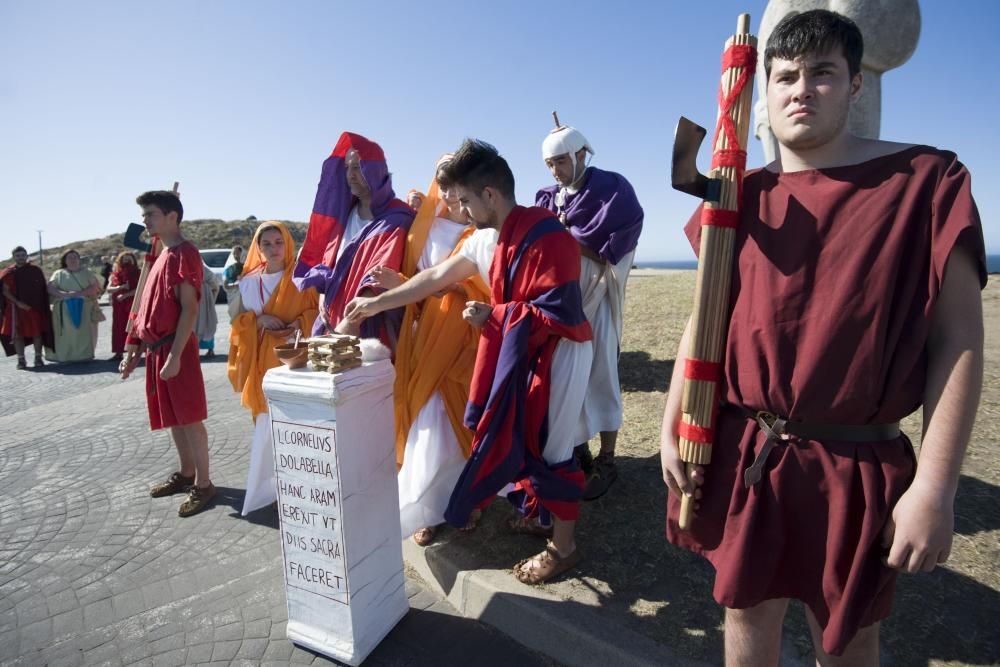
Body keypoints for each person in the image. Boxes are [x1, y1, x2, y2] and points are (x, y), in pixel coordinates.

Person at [659, 10, 986, 664]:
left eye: (822, 73)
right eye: (784, 77)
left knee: (847, 639)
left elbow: (959, 339)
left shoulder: (927, 182)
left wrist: (936, 486)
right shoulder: (738, 196)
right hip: (749, 447)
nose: (800, 89)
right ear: (764, 93)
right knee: (746, 616)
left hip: (856, 461)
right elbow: (706, 315)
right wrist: (675, 420)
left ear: (856, 85)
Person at [346, 140, 593, 584]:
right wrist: (378, 303)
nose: (460, 208)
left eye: (464, 199)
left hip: (560, 353)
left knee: (552, 449)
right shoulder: (483, 239)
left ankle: (564, 548)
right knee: (525, 437)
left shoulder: (549, 235)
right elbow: (434, 277)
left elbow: (559, 314)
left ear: (490, 195)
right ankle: (541, 518)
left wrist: (494, 316)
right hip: (523, 350)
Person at [363, 155, 489, 545]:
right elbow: (415, 284)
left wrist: (446, 287)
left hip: (465, 334)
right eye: (444, 181)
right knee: (426, 416)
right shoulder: (422, 226)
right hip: (423, 334)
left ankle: (469, 498)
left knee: (460, 416)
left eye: (457, 182)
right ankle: (426, 506)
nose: (450, 191)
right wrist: (399, 285)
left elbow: (488, 285)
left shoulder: (481, 229)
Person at [536, 124, 644, 500]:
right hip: (562, 304)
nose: (555, 171)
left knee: (601, 373)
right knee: (566, 377)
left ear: (582, 154)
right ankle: (578, 449)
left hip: (597, 296)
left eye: (561, 161)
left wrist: (570, 239)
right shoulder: (547, 199)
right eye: (549, 164)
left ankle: (608, 459)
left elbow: (615, 248)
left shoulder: (612, 191)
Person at [120, 190, 215, 517]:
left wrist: (175, 356)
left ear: (172, 216)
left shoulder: (184, 254)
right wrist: (134, 348)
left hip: (177, 347)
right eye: (145, 215)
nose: (144, 221)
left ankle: (204, 485)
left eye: (151, 214)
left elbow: (189, 309)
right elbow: (147, 306)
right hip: (157, 349)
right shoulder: (160, 253)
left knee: (190, 418)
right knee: (174, 417)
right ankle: (187, 473)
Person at [293, 132, 415, 349]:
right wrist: (324, 297)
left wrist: (352, 321)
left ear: (375, 170)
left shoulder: (397, 217)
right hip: (331, 321)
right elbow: (332, 263)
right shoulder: (343, 215)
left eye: (358, 167)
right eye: (347, 168)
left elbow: (378, 276)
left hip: (368, 331)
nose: (350, 174)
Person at [228, 221, 318, 515]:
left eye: (278, 242)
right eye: (266, 243)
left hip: (295, 361)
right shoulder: (248, 281)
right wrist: (257, 321)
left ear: (288, 243)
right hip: (261, 363)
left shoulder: (301, 277)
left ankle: (303, 483)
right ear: (258, 247)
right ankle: (276, 486)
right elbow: (237, 321)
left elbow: (316, 311)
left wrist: (299, 323)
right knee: (266, 425)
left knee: (297, 425)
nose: (273, 248)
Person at [1, 246, 54, 369]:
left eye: (23, 255)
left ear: (26, 256)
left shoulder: (35, 270)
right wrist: (18, 303)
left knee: (37, 333)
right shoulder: (9, 272)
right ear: (14, 257)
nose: (21, 257)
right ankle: (21, 360)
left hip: (33, 308)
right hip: (15, 308)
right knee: (17, 335)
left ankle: (38, 358)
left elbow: (42, 288)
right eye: (18, 255)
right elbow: (5, 291)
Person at [46, 249, 102, 362]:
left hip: (84, 308)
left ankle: (84, 355)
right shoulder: (58, 274)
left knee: (84, 333)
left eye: (75, 257)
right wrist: (63, 294)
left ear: (79, 259)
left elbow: (95, 287)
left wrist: (79, 294)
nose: (72, 260)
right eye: (69, 258)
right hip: (64, 309)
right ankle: (65, 356)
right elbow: (50, 288)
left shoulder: (87, 272)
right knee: (66, 334)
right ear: (65, 260)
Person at [106, 251, 139, 362]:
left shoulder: (139, 273)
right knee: (118, 327)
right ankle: (118, 352)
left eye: (129, 259)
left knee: (132, 327)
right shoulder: (115, 274)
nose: (126, 261)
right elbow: (108, 288)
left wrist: (125, 295)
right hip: (118, 304)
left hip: (132, 302)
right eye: (124, 259)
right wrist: (121, 287)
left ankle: (134, 351)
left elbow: (140, 289)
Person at [196, 264, 221, 358]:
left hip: (203, 300)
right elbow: (215, 285)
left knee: (206, 322)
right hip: (198, 299)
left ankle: (210, 349)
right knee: (202, 323)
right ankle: (197, 349)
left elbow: (214, 282)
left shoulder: (205, 271)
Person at [223, 245, 244, 323]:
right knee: (234, 317)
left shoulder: (247, 267)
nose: (236, 256)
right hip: (233, 293)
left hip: (244, 294)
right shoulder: (228, 268)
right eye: (234, 253)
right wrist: (237, 284)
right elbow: (225, 284)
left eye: (238, 253)